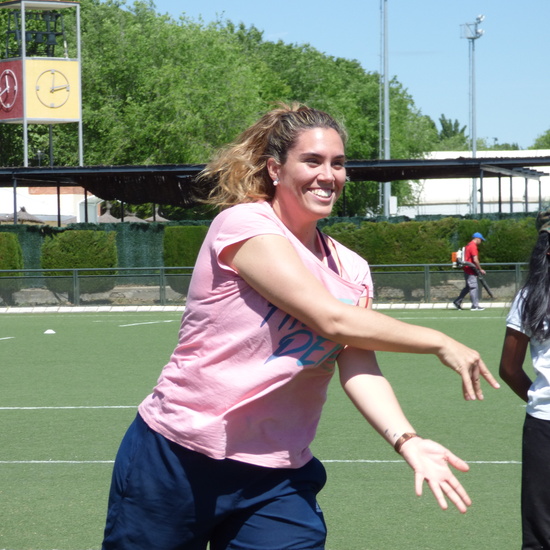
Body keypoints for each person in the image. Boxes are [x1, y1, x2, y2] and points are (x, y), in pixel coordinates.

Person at [101, 103, 499, 550]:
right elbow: (329, 317)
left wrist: (407, 440)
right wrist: (440, 341)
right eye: (312, 161)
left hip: (278, 475)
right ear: (275, 168)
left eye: (338, 163)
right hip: (177, 456)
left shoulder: (353, 268)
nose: (328, 175)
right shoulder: (243, 225)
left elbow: (358, 365)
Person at [499, 207, 550, 550]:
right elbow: (509, 368)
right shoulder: (530, 298)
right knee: (540, 533)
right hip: (544, 427)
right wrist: (539, 399)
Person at [453, 232, 487, 311]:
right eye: (481, 240)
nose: (481, 242)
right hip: (470, 270)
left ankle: (457, 301)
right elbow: (475, 259)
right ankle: (475, 306)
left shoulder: (468, 245)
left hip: (467, 269)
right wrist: (480, 269)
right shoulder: (473, 246)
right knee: (473, 287)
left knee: (468, 287)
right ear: (477, 239)